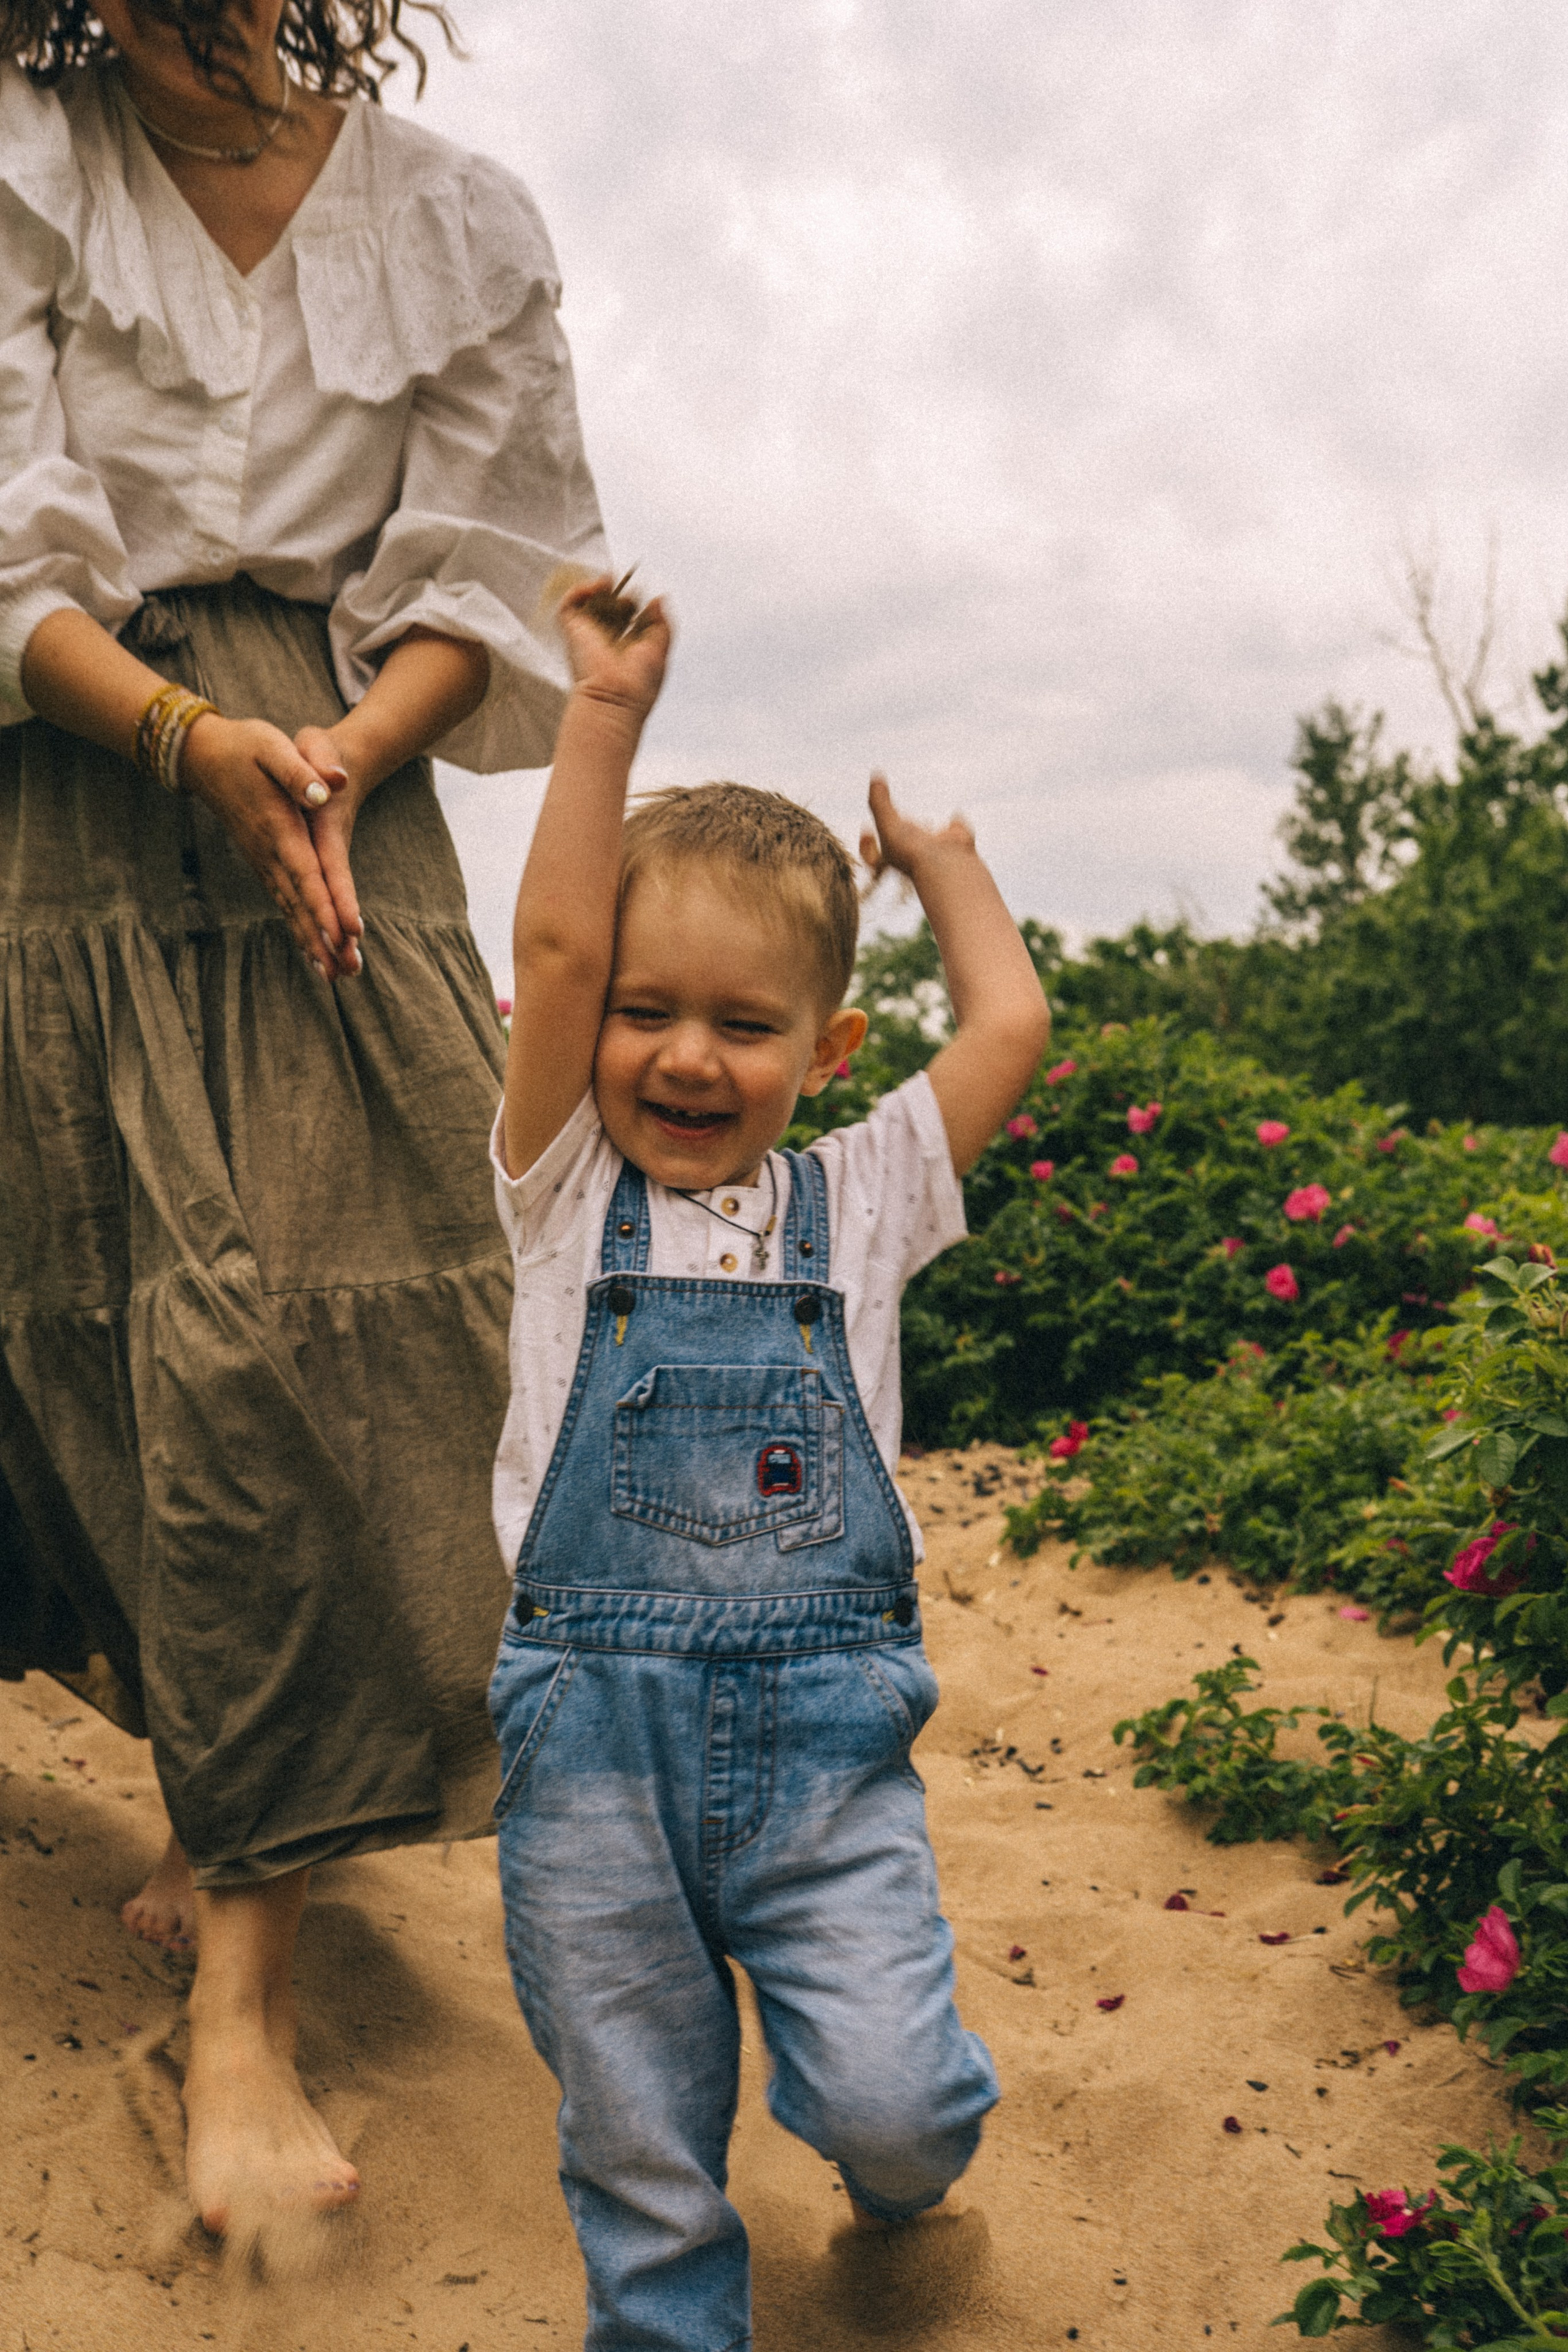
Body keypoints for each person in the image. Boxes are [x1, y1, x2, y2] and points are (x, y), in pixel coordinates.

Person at [0, 0, 606, 2233]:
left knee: (310, 1337)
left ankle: (245, 1998)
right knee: (115, 1326)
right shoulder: (24, 153)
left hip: (343, 794)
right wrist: (184, 741)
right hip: (73, 775)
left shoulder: (454, 215)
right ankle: (220, 1772)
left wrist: (341, 754)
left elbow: (489, 565)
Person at [487, 578, 1052, 2350]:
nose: (684, 1054)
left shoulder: (863, 1197)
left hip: (828, 1755)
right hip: (589, 1744)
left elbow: (1010, 1031)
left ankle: (893, 2169)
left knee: (902, 2103)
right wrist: (604, 714)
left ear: (827, 1050)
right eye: (646, 1009)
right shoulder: (560, 1186)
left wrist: (943, 865)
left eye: (744, 1024)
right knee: (637, 2125)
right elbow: (557, 950)